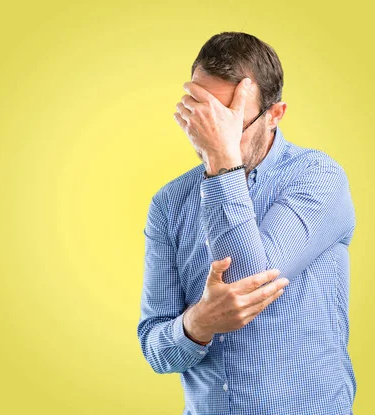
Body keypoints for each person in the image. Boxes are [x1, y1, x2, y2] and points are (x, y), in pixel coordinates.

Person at [137, 31, 357, 415]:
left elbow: (250, 278)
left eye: (229, 123)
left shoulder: (319, 177)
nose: (212, 136)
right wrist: (196, 325)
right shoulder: (170, 204)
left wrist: (221, 162)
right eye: (204, 118)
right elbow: (156, 349)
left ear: (275, 114)